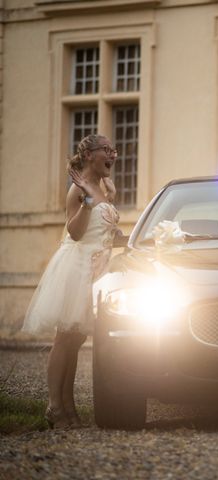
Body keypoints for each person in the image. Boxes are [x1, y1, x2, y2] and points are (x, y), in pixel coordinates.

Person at [22, 134, 120, 428]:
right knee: (64, 340)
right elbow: (76, 233)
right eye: (107, 150)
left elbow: (104, 233)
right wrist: (88, 201)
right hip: (76, 269)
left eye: (113, 150)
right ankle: (54, 407)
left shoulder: (104, 185)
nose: (113, 155)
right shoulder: (77, 191)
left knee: (75, 341)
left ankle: (69, 406)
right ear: (90, 154)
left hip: (97, 270)